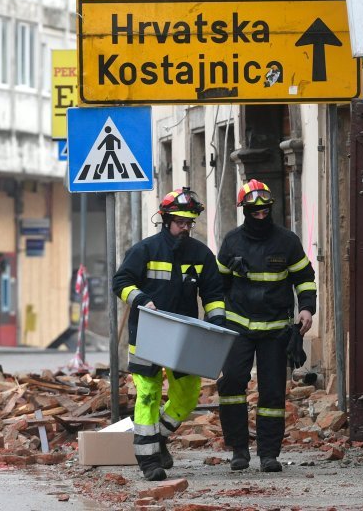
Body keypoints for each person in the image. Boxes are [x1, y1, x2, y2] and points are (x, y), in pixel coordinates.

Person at [112, 187, 226, 481]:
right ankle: (148, 461)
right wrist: (139, 298)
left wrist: (217, 324)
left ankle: (157, 438)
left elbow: (213, 293)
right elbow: (121, 281)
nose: (185, 228)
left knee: (187, 396)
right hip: (147, 334)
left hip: (184, 338)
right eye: (180, 223)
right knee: (148, 394)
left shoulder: (201, 254)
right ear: (166, 220)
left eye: (190, 223)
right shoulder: (145, 250)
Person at [216, 179, 317, 472]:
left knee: (272, 393)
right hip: (238, 327)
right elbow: (217, 285)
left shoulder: (287, 241)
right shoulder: (232, 242)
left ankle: (269, 454)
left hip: (275, 329)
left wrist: (307, 309)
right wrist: (216, 319)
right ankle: (238, 450)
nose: (260, 216)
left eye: (265, 211)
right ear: (245, 211)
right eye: (254, 211)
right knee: (233, 383)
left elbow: (304, 278)